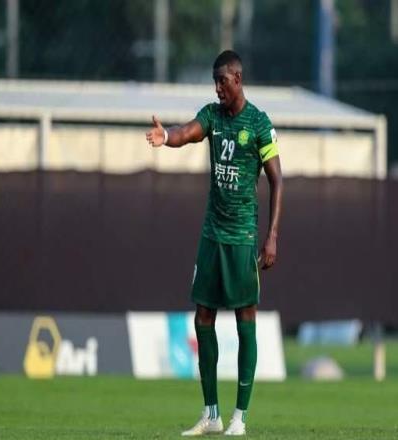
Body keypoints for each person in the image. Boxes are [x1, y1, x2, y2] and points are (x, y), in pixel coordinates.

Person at [146, 50, 282, 437]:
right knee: (202, 316)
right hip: (212, 235)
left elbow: (277, 181)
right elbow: (188, 132)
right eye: (214, 82)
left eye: (222, 81)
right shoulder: (212, 115)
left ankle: (240, 416)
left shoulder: (259, 124)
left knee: (244, 319)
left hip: (242, 237)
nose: (218, 89)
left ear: (237, 79)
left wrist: (271, 235)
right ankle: (211, 414)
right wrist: (166, 136)